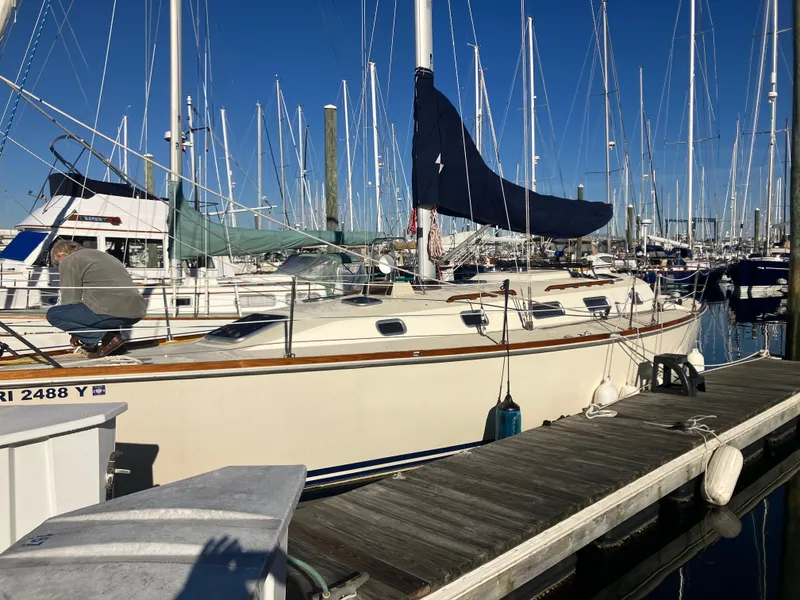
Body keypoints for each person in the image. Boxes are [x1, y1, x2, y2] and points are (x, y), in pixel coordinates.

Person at [46, 240, 147, 358]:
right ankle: (116, 345)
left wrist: (77, 333)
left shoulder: (70, 260)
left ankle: (109, 339)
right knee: (100, 304)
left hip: (110, 312)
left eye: (58, 264)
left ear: (60, 256)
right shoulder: (103, 255)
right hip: (136, 312)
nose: (60, 266)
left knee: (54, 314)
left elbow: (70, 299)